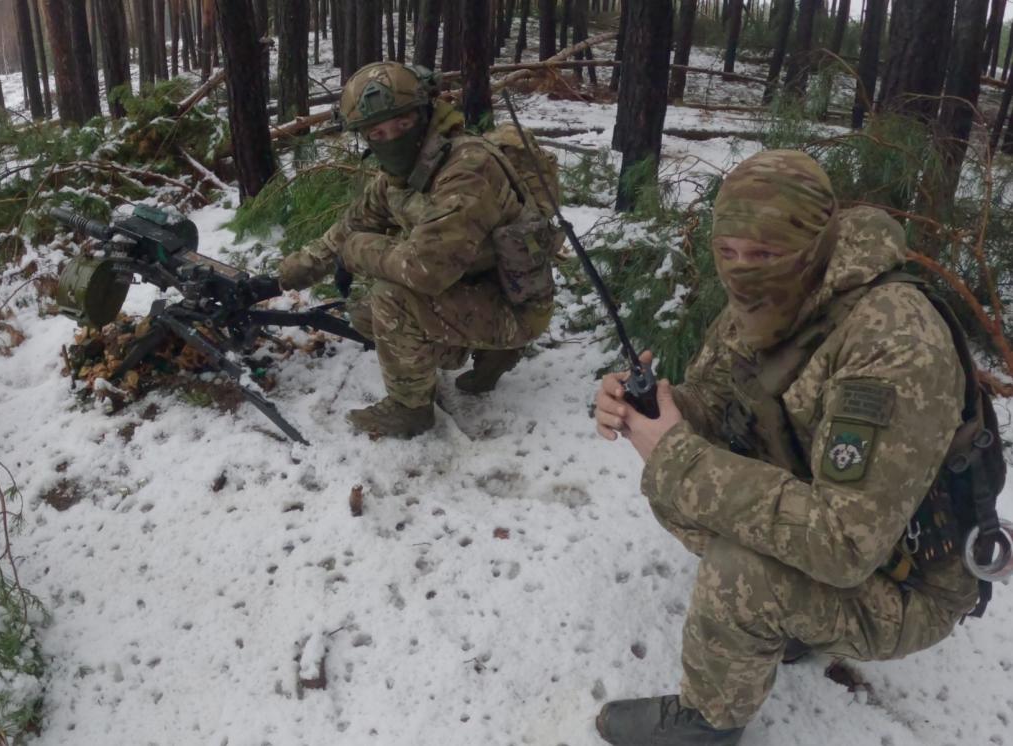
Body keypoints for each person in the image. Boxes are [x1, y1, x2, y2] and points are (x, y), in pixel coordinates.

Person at [591, 150, 981, 745]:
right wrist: (660, 409)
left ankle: (709, 724)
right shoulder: (777, 292)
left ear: (814, 244)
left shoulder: (893, 341)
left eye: (764, 255)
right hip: (838, 524)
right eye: (728, 254)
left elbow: (845, 544)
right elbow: (719, 398)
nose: (742, 271)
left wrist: (676, 454)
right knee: (680, 486)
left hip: (907, 583)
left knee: (739, 564)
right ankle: (789, 620)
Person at [276, 61, 555, 439]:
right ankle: (488, 353)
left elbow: (426, 270)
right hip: (476, 287)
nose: (391, 138)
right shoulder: (400, 175)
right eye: (377, 132)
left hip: (515, 304)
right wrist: (293, 271)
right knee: (363, 316)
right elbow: (352, 226)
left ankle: (410, 410)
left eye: (403, 124)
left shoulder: (467, 169)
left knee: (392, 300)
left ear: (425, 114)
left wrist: (356, 252)